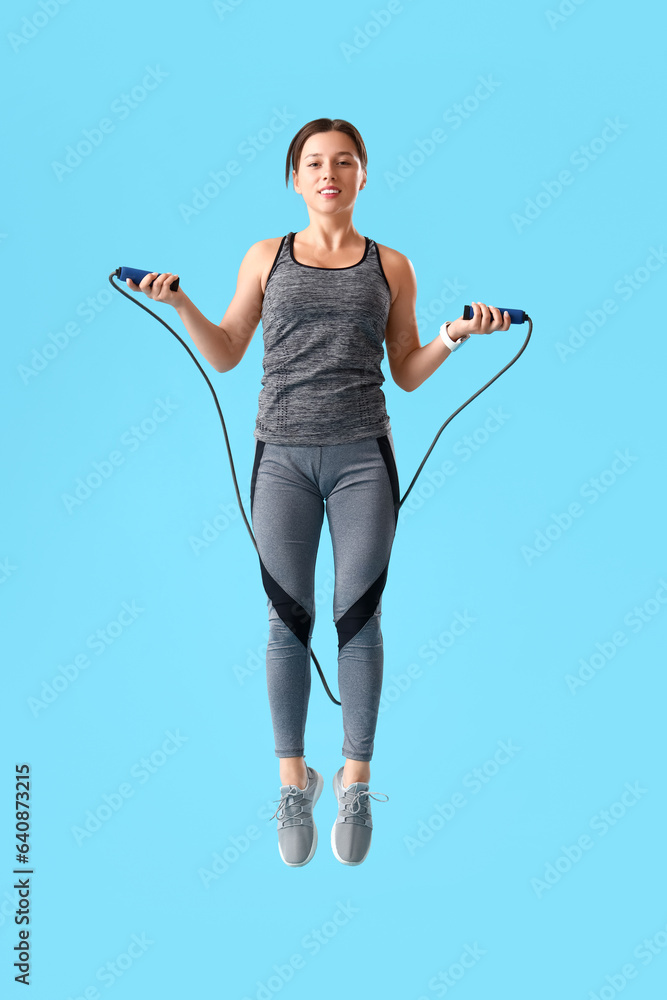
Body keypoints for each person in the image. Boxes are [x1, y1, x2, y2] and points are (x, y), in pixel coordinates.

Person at [126, 117, 511, 868]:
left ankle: (355, 780)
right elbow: (229, 351)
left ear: (363, 174)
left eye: (342, 161)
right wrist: (181, 306)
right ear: (293, 178)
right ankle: (292, 780)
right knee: (285, 621)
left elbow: (405, 367)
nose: (327, 172)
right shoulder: (264, 257)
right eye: (312, 162)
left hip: (363, 455)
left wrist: (454, 336)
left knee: (357, 618)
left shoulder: (391, 265)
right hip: (282, 460)